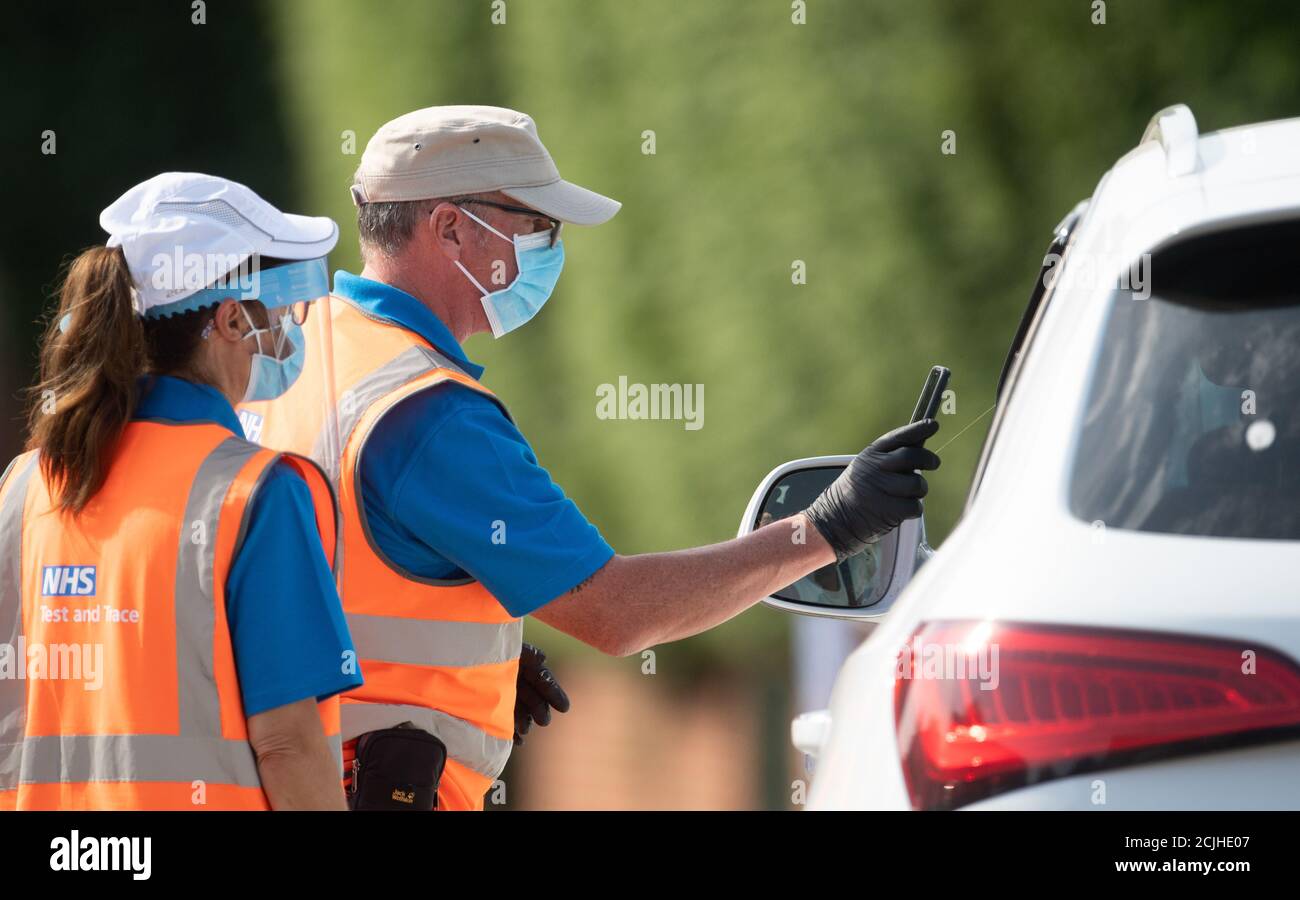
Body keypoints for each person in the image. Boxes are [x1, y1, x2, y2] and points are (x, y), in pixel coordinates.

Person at [249, 106, 939, 811]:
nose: (550, 247)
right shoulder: (429, 413)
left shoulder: (291, 352)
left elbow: (300, 577)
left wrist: (470, 664)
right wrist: (827, 528)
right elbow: (616, 615)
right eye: (536, 224)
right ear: (451, 226)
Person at [0, 173, 361, 810]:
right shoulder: (255, 491)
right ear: (228, 319)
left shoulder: (26, 486)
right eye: (276, 317)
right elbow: (287, 745)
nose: (283, 336)